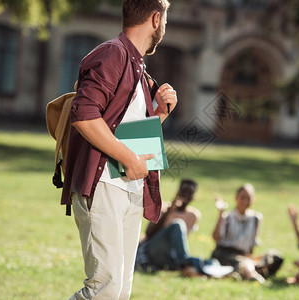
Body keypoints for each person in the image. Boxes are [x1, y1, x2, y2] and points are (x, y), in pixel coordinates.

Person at [62, 1, 176, 299]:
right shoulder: (113, 53)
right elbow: (84, 116)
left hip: (130, 188)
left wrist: (159, 114)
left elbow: (124, 130)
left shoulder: (137, 65)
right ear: (155, 19)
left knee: (119, 292)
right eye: (166, 19)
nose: (165, 26)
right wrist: (128, 158)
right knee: (105, 290)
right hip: (104, 186)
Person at [211, 183, 281, 282]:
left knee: (275, 256)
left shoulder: (256, 218)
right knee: (244, 262)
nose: (245, 201)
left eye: (248, 198)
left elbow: (252, 245)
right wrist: (220, 213)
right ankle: (253, 276)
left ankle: (245, 270)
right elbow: (215, 237)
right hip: (225, 254)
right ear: (236, 198)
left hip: (244, 256)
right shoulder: (227, 216)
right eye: (242, 198)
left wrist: (250, 258)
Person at [135, 178, 201, 273]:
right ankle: (185, 263)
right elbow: (148, 233)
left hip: (170, 255)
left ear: (193, 196)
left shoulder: (193, 215)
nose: (185, 195)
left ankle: (185, 264)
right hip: (152, 250)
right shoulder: (163, 208)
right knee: (177, 224)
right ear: (178, 191)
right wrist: (169, 211)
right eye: (183, 191)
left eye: (189, 193)